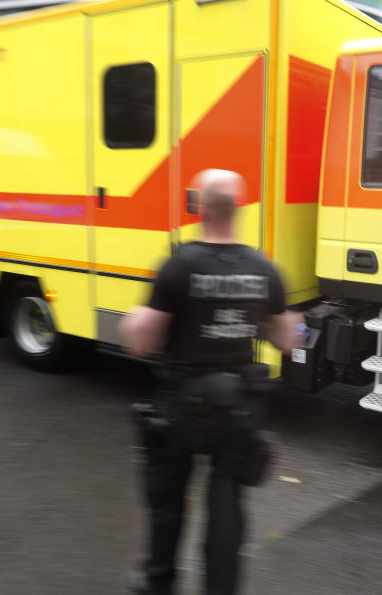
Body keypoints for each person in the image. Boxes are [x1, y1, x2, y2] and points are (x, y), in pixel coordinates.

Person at [120, 169, 303, 595]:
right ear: (237, 210)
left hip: (180, 409)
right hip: (238, 409)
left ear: (200, 208)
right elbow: (288, 339)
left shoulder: (179, 264)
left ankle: (158, 580)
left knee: (167, 500)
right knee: (227, 505)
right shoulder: (264, 269)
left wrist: (134, 320)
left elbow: (140, 342)